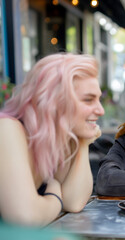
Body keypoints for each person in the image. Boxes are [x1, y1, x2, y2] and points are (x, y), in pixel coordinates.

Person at [0, 53, 104, 226]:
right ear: (56, 101)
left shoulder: (54, 139)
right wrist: (55, 196)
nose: (100, 110)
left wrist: (84, 144)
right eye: (88, 99)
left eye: (98, 99)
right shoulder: (7, 129)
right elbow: (25, 218)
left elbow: (74, 202)